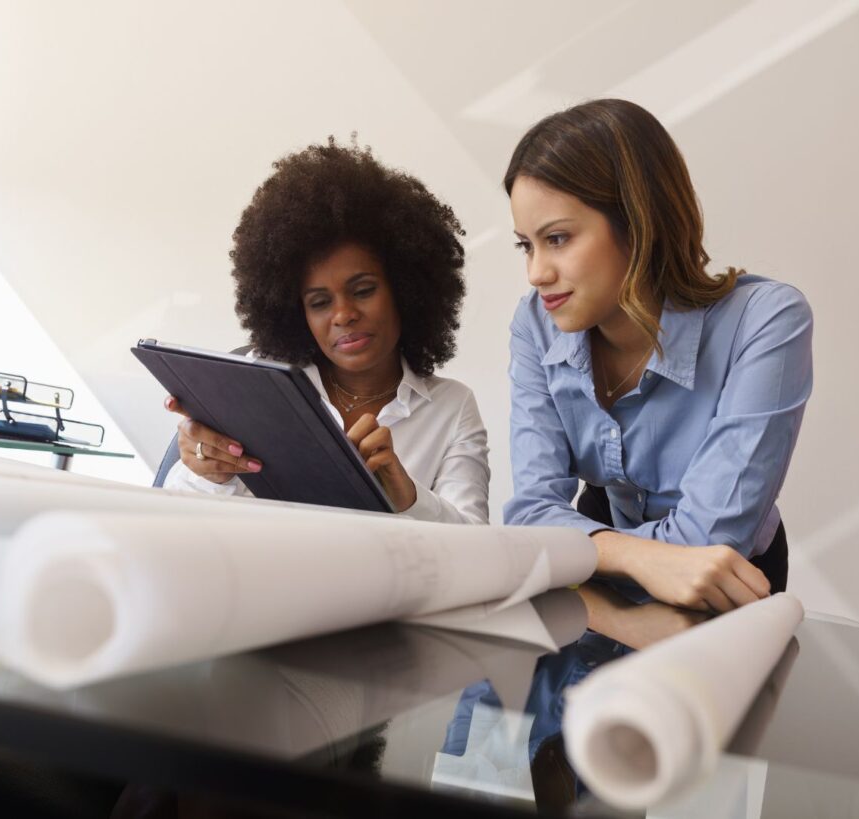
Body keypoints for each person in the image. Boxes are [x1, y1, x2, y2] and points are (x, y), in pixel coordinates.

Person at [502, 99, 813, 610]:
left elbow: (708, 542)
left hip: (725, 583)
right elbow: (530, 514)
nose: (536, 272)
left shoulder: (767, 320)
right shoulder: (535, 323)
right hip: (599, 569)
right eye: (526, 246)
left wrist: (580, 549)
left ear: (638, 223)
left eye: (557, 239)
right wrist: (629, 566)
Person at [162, 138, 490, 525]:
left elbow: (475, 544)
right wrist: (208, 469)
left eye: (363, 290)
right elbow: (176, 516)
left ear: (406, 288)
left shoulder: (452, 408)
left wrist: (408, 497)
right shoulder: (263, 380)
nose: (343, 315)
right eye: (319, 302)